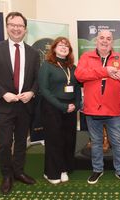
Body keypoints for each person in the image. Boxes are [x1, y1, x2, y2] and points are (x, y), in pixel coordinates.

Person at [0, 12, 39, 194]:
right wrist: (3, 93)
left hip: (25, 106)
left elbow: (38, 79)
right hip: (4, 105)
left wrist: (31, 92)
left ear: (25, 29)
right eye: (12, 25)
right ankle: (7, 175)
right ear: (7, 27)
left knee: (22, 142)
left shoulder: (34, 52)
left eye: (20, 26)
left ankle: (19, 172)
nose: (16, 28)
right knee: (5, 143)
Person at [75, 30, 120, 185]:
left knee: (118, 142)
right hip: (92, 109)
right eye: (102, 38)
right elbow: (79, 75)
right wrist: (104, 71)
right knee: (96, 141)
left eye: (108, 38)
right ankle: (97, 170)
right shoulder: (86, 57)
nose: (105, 41)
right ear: (96, 40)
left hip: (113, 110)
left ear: (112, 42)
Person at [38, 37, 81, 184]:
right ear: (54, 48)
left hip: (70, 109)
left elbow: (76, 87)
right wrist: (62, 106)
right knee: (54, 141)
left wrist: (77, 104)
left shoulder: (72, 67)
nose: (64, 47)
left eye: (66, 46)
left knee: (68, 140)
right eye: (60, 45)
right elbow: (44, 90)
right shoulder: (47, 65)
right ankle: (53, 172)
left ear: (69, 50)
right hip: (52, 108)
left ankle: (64, 168)